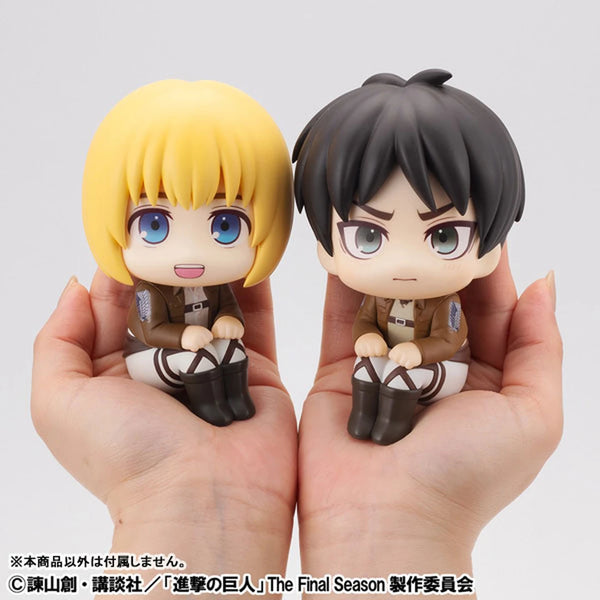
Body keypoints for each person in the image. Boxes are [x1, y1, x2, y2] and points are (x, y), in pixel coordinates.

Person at [293, 69, 525, 445]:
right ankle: (363, 418)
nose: (403, 263)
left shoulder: (447, 304)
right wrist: (368, 337)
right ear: (328, 250)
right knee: (365, 368)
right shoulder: (377, 299)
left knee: (401, 377)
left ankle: (392, 426)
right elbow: (364, 322)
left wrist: (418, 351)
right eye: (368, 236)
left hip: (442, 368)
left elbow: (449, 339)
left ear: (488, 253)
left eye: (444, 237)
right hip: (393, 358)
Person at [82, 80, 292, 426]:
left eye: (226, 225)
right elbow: (150, 329)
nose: (190, 253)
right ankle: (209, 410)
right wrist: (183, 337)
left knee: (234, 350)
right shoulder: (149, 292)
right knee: (198, 360)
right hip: (151, 355)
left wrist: (229, 321)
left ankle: (237, 400)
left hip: (199, 344)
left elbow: (228, 308)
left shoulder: (216, 286)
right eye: (154, 225)